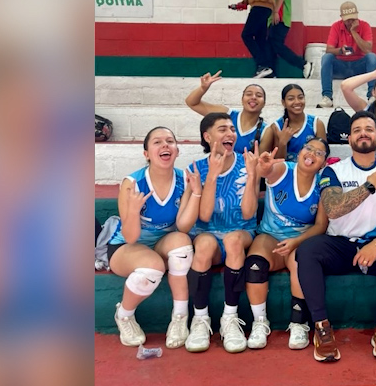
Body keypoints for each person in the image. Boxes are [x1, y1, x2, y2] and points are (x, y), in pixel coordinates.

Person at [293, 112, 376, 362]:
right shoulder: (334, 170)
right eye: (357, 130)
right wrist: (370, 186)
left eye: (368, 129)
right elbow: (333, 209)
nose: (363, 133)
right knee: (307, 250)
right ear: (349, 139)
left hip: (373, 245)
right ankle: (322, 328)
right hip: (339, 245)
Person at [106, 127, 201, 349]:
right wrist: (133, 211)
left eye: (170, 141)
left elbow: (183, 226)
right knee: (152, 267)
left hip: (162, 243)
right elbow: (130, 237)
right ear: (146, 153)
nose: (165, 145)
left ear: (177, 150)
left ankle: (179, 317)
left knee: (182, 244)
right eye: (157, 142)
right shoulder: (132, 183)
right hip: (126, 246)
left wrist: (196, 192)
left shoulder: (184, 179)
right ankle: (124, 315)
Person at [184, 113, 261, 353]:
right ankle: (200, 319)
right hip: (208, 233)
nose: (230, 133)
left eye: (232, 129)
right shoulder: (196, 169)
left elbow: (248, 213)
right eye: (222, 129)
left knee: (233, 240)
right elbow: (204, 215)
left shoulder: (248, 163)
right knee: (204, 244)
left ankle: (230, 317)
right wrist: (212, 175)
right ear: (207, 137)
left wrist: (252, 175)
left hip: (240, 231)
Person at [245, 137, 330, 350]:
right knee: (255, 264)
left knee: (302, 264)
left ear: (324, 162)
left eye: (319, 153)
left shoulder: (323, 183)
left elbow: (321, 225)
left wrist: (296, 241)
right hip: (271, 237)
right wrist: (264, 168)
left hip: (302, 239)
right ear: (299, 152)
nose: (311, 154)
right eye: (308, 148)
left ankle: (298, 323)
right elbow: (268, 171)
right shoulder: (284, 169)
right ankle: (259, 322)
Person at [317, 1, 376, 108]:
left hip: (359, 67)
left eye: (353, 19)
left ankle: (372, 96)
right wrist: (340, 51)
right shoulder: (336, 26)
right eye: (347, 19)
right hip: (341, 66)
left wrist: (354, 32)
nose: (350, 22)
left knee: (372, 57)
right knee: (327, 57)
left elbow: (368, 49)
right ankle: (327, 97)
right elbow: (329, 49)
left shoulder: (364, 26)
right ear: (342, 18)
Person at [185, 71, 267, 154]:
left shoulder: (266, 130)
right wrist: (202, 89)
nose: (253, 97)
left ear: (264, 103)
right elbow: (192, 103)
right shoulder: (226, 114)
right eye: (249, 94)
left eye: (259, 95)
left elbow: (261, 159)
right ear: (242, 100)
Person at [260, 83, 326, 161]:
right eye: (291, 99)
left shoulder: (316, 124)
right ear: (283, 103)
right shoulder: (276, 127)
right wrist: (282, 143)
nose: (297, 102)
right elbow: (277, 161)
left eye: (300, 98)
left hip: (310, 167)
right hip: (285, 168)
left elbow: (323, 155)